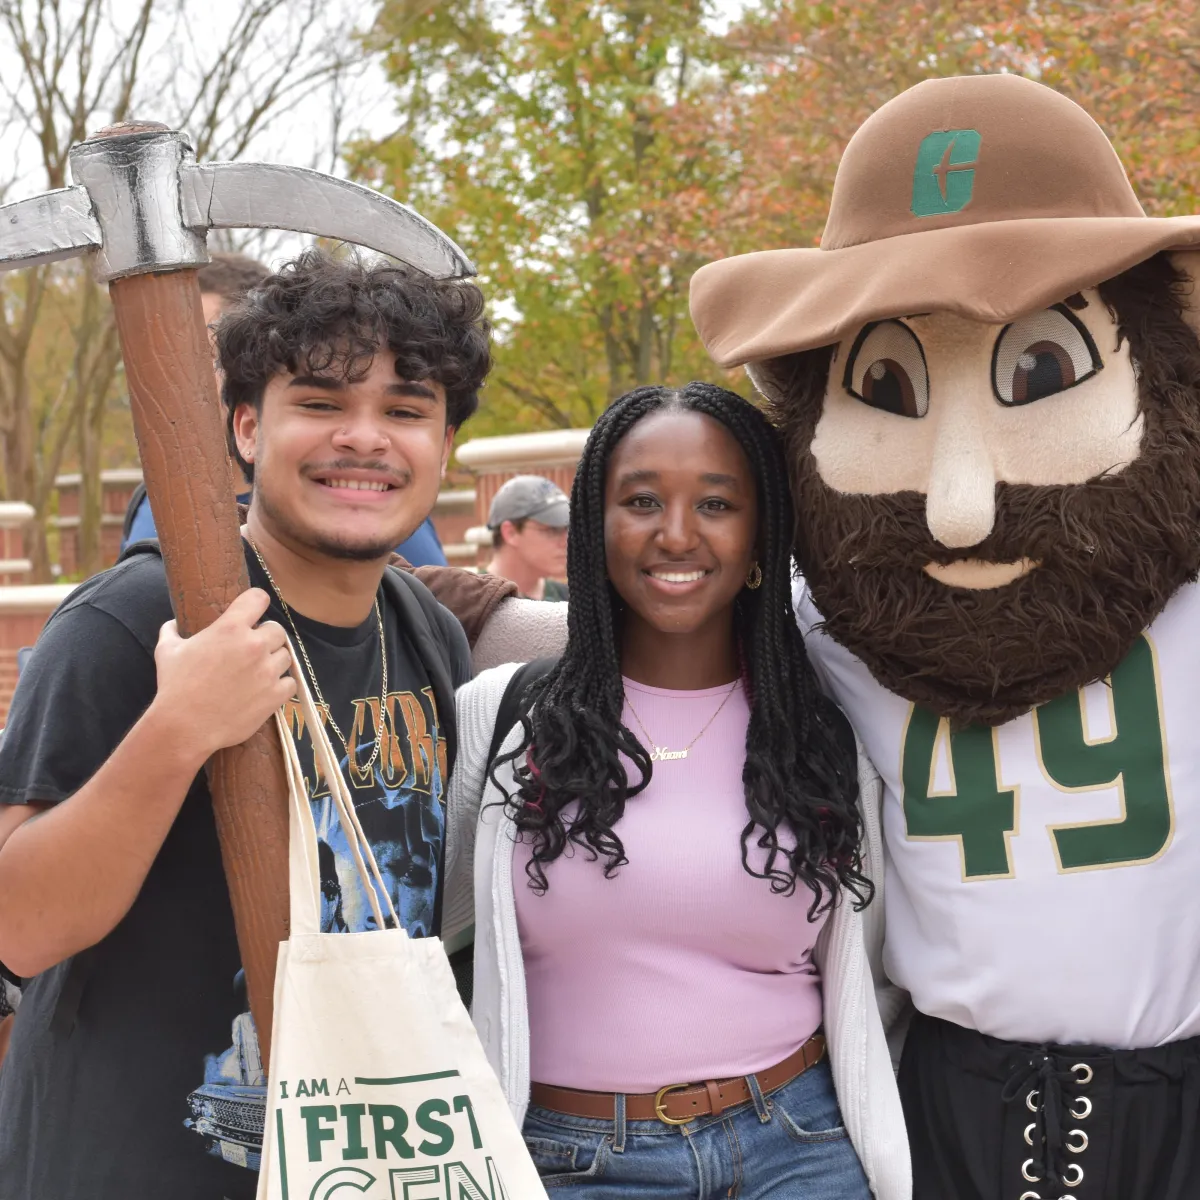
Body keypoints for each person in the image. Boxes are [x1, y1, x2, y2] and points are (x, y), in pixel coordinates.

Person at [689, 74, 1200, 1199]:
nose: (960, 509)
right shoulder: (827, 630)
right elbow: (653, 640)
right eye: (885, 384)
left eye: (1044, 368)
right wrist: (460, 613)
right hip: (941, 1100)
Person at [0, 247, 489, 1200]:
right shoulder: (132, 623)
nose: (364, 438)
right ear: (245, 426)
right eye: (318, 402)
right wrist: (177, 728)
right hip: (132, 1165)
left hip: (354, 1162)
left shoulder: (425, 637)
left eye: (404, 410)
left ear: (443, 445)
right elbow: (17, 929)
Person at [444, 383, 910, 1199]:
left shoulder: (824, 735)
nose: (677, 533)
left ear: (762, 533)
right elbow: (423, 935)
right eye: (643, 500)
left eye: (718, 503)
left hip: (800, 1147)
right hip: (570, 1161)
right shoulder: (506, 719)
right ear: (595, 525)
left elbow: (871, 972)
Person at [122, 251, 270, 549]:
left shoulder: (343, 515)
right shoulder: (152, 505)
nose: (174, 383)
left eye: (202, 356)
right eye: (167, 360)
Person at [485, 473, 570, 600]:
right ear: (510, 533)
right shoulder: (469, 601)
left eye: (568, 528)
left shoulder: (572, 602)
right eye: (553, 530)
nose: (566, 541)